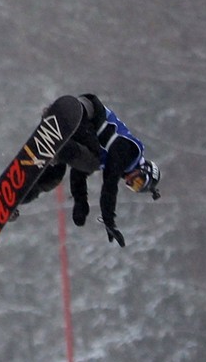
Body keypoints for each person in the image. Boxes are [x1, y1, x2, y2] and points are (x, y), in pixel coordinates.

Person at [18, 93, 160, 247]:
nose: (131, 182)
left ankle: (18, 196)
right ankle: (57, 148)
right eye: (139, 180)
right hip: (79, 113)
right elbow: (109, 183)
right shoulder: (131, 151)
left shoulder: (106, 161)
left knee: (55, 176)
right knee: (91, 162)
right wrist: (109, 219)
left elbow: (79, 171)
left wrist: (81, 202)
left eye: (135, 187)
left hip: (72, 129)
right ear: (143, 168)